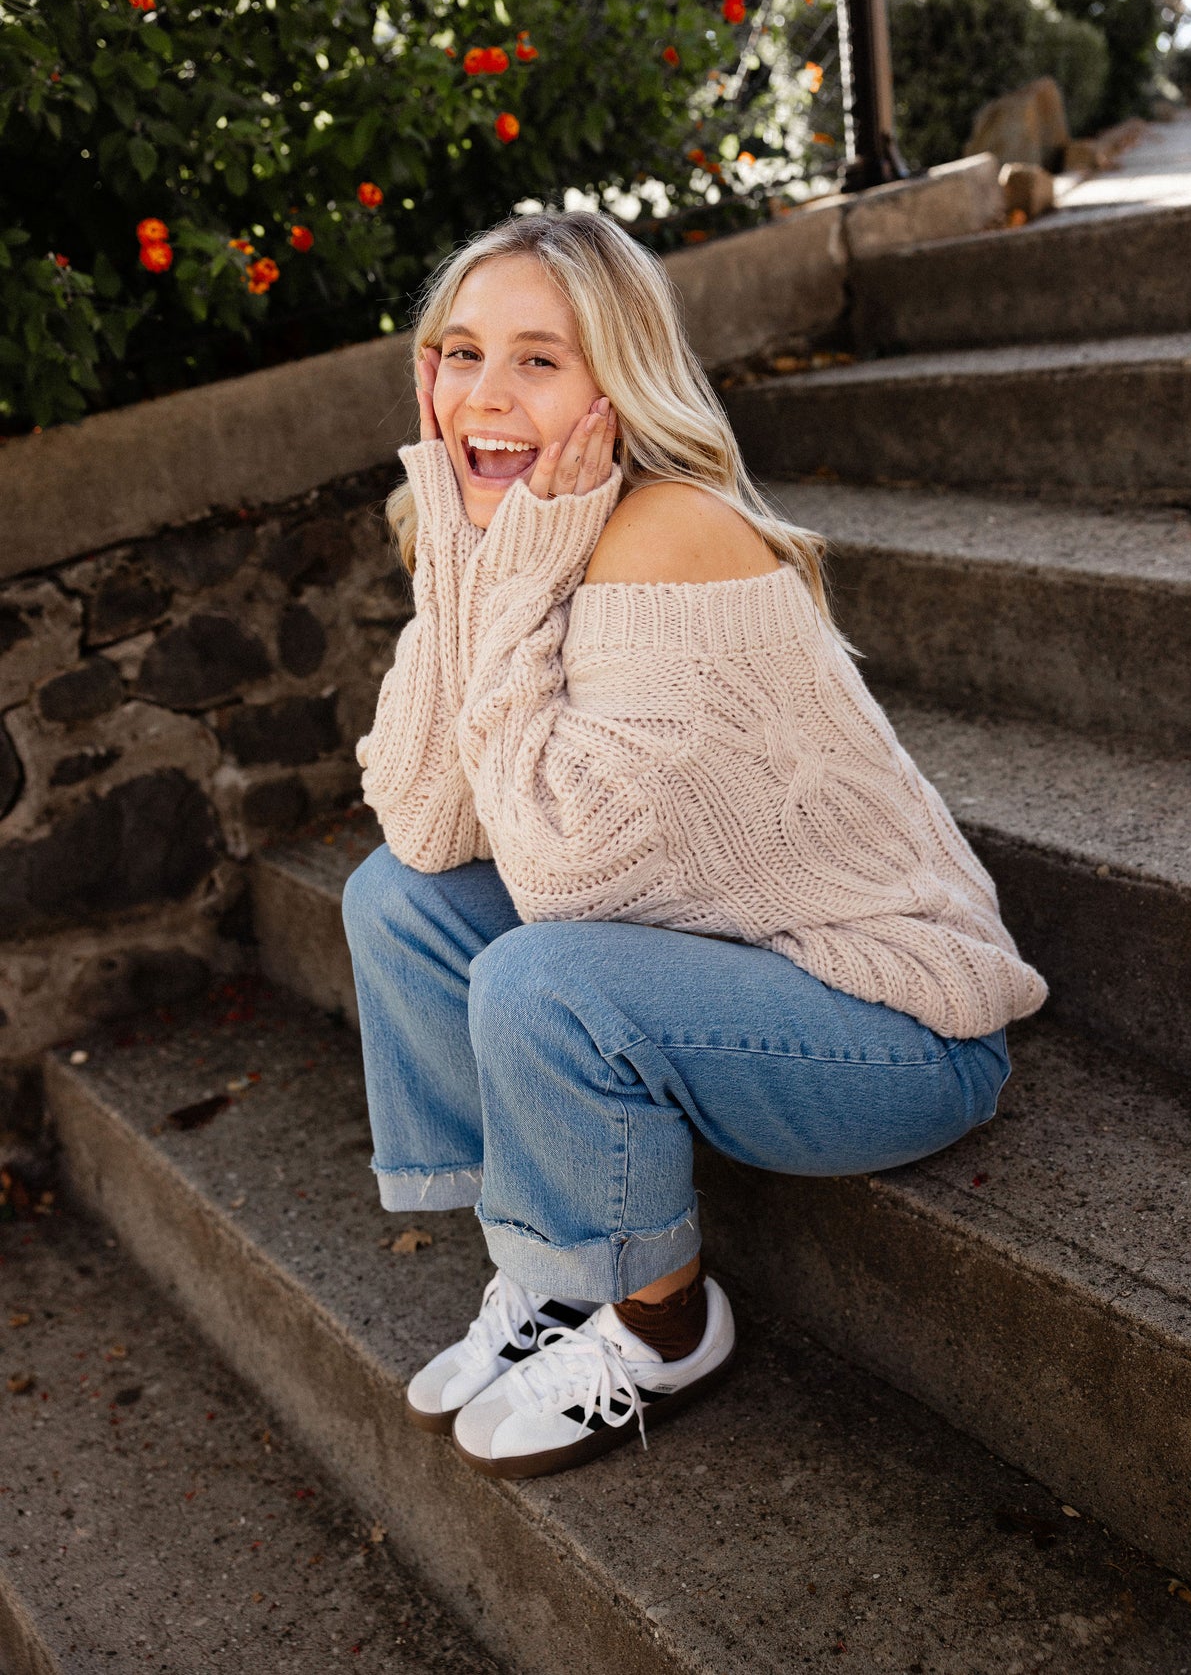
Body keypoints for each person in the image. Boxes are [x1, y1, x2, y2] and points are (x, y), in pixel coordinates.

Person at [343, 210, 1046, 1483]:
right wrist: (459, 548)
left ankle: (663, 1322)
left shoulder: (665, 530)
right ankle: (554, 1278)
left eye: (538, 360)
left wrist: (503, 571)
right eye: (459, 353)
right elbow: (428, 822)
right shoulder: (510, 530)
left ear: (617, 381)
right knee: (396, 897)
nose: (484, 395)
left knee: (535, 973)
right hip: (725, 970)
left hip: (891, 1023)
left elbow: (560, 880)